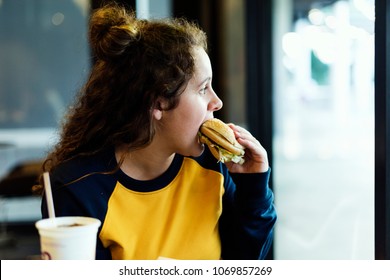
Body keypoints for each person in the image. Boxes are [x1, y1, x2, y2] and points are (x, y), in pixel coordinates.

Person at [39, 4, 276, 260]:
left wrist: (254, 188)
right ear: (158, 102)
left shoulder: (212, 166)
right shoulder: (78, 187)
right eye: (202, 89)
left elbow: (245, 262)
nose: (216, 102)